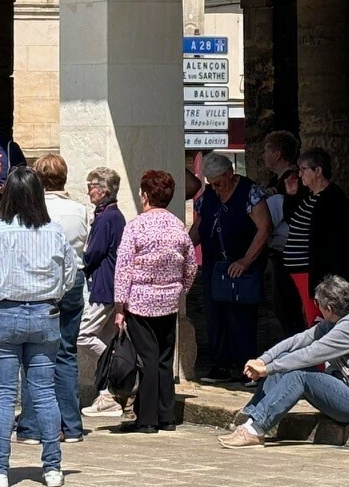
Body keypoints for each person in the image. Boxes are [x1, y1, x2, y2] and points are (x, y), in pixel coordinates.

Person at [0, 166, 80, 487]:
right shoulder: (54, 232)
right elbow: (70, 277)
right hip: (45, 316)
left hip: (4, 314)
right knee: (44, 393)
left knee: (3, 396)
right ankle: (53, 467)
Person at [218, 275, 349, 448]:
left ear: (329, 308)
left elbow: (310, 354)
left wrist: (268, 369)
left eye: (318, 304)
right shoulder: (338, 320)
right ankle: (249, 420)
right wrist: (263, 360)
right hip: (344, 389)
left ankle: (255, 430)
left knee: (299, 375)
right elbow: (299, 340)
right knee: (284, 358)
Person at [111, 169, 196, 434]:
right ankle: (166, 416)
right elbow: (191, 264)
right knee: (163, 359)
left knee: (147, 359)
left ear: (146, 195)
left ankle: (146, 419)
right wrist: (181, 289)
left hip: (140, 302)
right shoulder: (177, 225)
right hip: (169, 302)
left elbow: (124, 267)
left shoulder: (136, 226)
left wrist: (119, 306)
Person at [190, 151, 270, 385]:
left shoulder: (250, 192)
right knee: (216, 314)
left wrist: (245, 260)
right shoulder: (209, 196)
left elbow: (264, 227)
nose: (216, 188)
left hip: (242, 265)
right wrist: (183, 248)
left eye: (219, 183)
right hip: (216, 266)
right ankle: (221, 366)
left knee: (241, 317)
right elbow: (200, 226)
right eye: (211, 184)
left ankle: (248, 367)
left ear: (230, 174)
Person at [35, 152, 91, 442]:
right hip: (73, 279)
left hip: (44, 281)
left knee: (38, 355)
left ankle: (39, 422)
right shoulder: (79, 209)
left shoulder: (35, 209)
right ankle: (72, 424)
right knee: (67, 353)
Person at [283, 146, 349, 326]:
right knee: (309, 317)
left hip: (315, 274)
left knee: (319, 322)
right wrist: (291, 195)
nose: (300, 175)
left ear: (318, 171)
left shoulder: (332, 198)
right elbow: (293, 221)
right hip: (301, 273)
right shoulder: (310, 196)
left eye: (303, 170)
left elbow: (334, 241)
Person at [79, 167, 128, 418]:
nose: (88, 191)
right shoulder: (111, 215)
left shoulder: (108, 217)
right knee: (108, 338)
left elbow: (93, 252)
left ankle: (117, 369)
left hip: (103, 285)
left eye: (91, 186)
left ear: (104, 190)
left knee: (83, 335)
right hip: (109, 284)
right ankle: (108, 396)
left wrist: (79, 262)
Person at [260, 131, 306, 337]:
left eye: (266, 150)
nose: (263, 155)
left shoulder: (291, 180)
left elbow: (289, 209)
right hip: (282, 252)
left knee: (287, 304)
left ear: (278, 153)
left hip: (289, 251)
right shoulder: (278, 180)